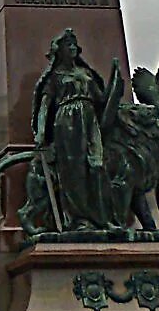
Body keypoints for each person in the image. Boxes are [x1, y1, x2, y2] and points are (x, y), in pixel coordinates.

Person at [29, 29, 117, 232]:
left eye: (74, 44)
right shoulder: (54, 76)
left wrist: (114, 81)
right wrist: (41, 131)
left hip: (89, 119)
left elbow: (101, 99)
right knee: (73, 171)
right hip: (66, 121)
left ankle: (103, 217)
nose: (72, 48)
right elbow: (44, 105)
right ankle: (79, 219)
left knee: (97, 164)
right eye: (67, 45)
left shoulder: (86, 74)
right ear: (59, 50)